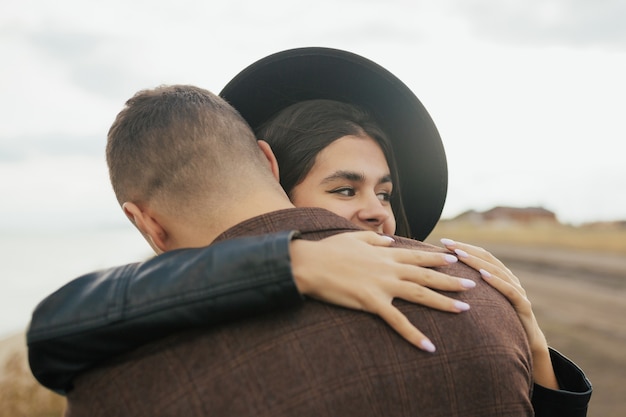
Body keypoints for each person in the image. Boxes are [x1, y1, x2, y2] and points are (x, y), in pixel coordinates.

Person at [26, 48, 591, 416]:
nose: (373, 212)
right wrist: (293, 263)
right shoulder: (472, 298)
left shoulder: (126, 380)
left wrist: (536, 348)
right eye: (343, 190)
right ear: (274, 173)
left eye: (385, 193)